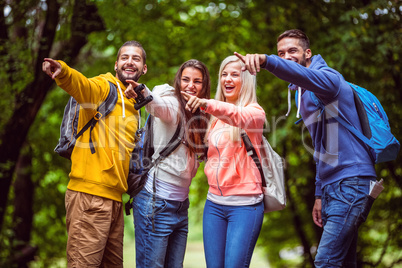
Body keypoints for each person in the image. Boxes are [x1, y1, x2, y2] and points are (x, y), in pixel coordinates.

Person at [235, 29, 377, 267]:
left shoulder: (327, 79)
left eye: (293, 51)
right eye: (281, 52)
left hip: (352, 181)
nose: (286, 56)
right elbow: (324, 146)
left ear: (308, 53)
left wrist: (268, 60)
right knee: (344, 263)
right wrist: (320, 194)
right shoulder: (305, 93)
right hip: (334, 186)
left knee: (325, 261)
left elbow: (318, 79)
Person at [42, 40, 147, 267]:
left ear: (144, 68)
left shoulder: (134, 105)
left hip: (114, 200)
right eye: (125, 57)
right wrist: (64, 72)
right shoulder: (104, 88)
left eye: (136, 58)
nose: (130, 61)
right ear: (116, 63)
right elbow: (82, 86)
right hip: (89, 196)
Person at [124, 59, 211, 268]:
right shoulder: (172, 104)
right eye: (186, 80)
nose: (191, 85)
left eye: (197, 81)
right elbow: (157, 106)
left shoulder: (202, 116)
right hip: (155, 203)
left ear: (204, 86)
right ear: (178, 82)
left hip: (181, 206)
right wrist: (143, 93)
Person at [182, 55, 266, 268]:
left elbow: (236, 115)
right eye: (224, 74)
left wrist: (207, 104)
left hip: (245, 206)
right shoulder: (214, 118)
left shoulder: (255, 113)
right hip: (214, 205)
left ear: (245, 80)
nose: (227, 79)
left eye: (234, 75)